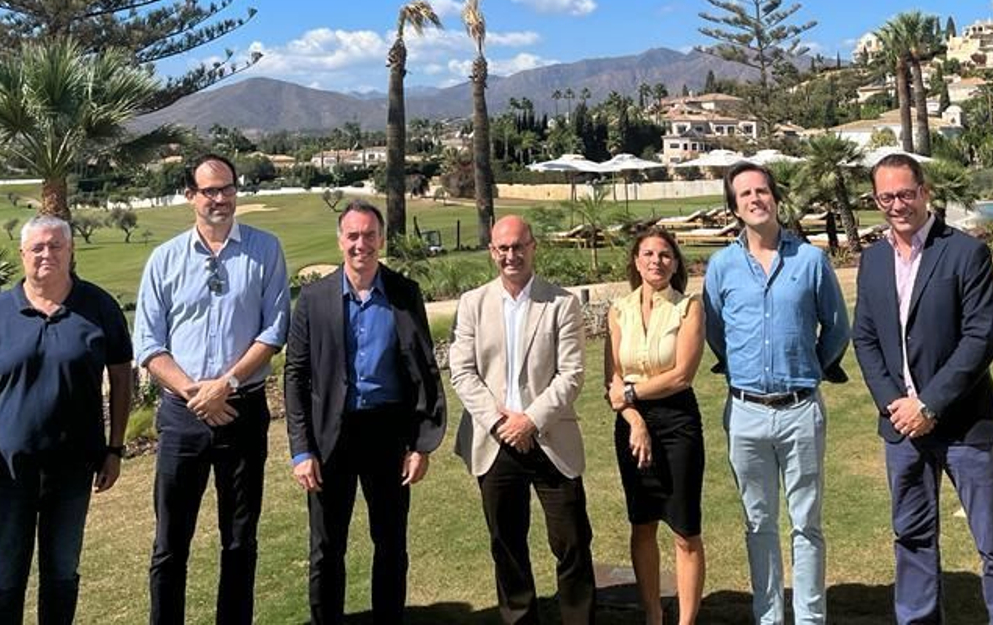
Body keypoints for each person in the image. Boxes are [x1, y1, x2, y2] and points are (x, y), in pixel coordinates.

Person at [852, 153, 993, 625]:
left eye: (906, 194)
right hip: (901, 428)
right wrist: (895, 405)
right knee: (911, 537)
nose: (897, 205)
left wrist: (928, 405)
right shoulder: (873, 260)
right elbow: (864, 338)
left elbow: (980, 338)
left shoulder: (965, 253)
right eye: (886, 197)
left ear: (924, 193)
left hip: (964, 425)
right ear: (876, 201)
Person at [0, 214, 133, 625]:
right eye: (37, 247)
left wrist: (115, 448)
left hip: (73, 470)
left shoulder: (99, 307)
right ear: (22, 254)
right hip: (7, 473)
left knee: (62, 576)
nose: (46, 254)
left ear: (71, 250)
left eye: (55, 246)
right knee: (5, 581)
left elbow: (123, 377)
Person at [134, 153, 290, 625]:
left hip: (241, 409)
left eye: (227, 188)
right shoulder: (165, 259)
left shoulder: (265, 249)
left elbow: (274, 329)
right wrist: (195, 393)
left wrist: (227, 383)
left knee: (239, 540)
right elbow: (148, 343)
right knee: (170, 543)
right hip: (182, 417)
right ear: (190, 196)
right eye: (209, 191)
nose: (220, 198)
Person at [284, 200, 446, 624]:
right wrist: (301, 450)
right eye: (353, 236)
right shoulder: (314, 299)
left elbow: (424, 372)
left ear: (381, 239)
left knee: (390, 544)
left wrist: (421, 444)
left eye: (370, 235)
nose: (362, 244)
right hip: (330, 437)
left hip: (387, 434)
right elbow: (296, 376)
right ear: (340, 240)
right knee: (326, 548)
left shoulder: (404, 293)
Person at [703, 161, 850, 625]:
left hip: (800, 410)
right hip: (745, 412)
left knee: (806, 522)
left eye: (762, 191)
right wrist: (740, 367)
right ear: (734, 207)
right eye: (745, 194)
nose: (755, 199)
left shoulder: (810, 260)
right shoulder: (721, 267)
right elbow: (715, 331)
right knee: (758, 522)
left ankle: (809, 618)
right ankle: (768, 616)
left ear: (775, 198)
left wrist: (810, 367)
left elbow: (836, 327)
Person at [449, 214, 596, 625]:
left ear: (533, 247)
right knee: (507, 545)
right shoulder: (473, 304)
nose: (511, 255)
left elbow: (571, 375)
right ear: (492, 252)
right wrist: (501, 425)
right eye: (503, 248)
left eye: (518, 246)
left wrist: (529, 421)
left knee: (572, 542)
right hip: (494, 442)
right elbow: (462, 372)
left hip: (550, 439)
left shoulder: (561, 303)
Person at [605, 227, 706, 625]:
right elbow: (612, 382)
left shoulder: (688, 307)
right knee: (642, 523)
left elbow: (681, 375)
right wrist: (635, 420)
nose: (656, 261)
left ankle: (686, 621)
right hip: (632, 425)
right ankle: (653, 615)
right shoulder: (619, 310)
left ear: (675, 262)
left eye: (665, 254)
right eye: (648, 254)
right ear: (636, 260)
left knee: (684, 528)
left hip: (678, 422)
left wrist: (631, 394)